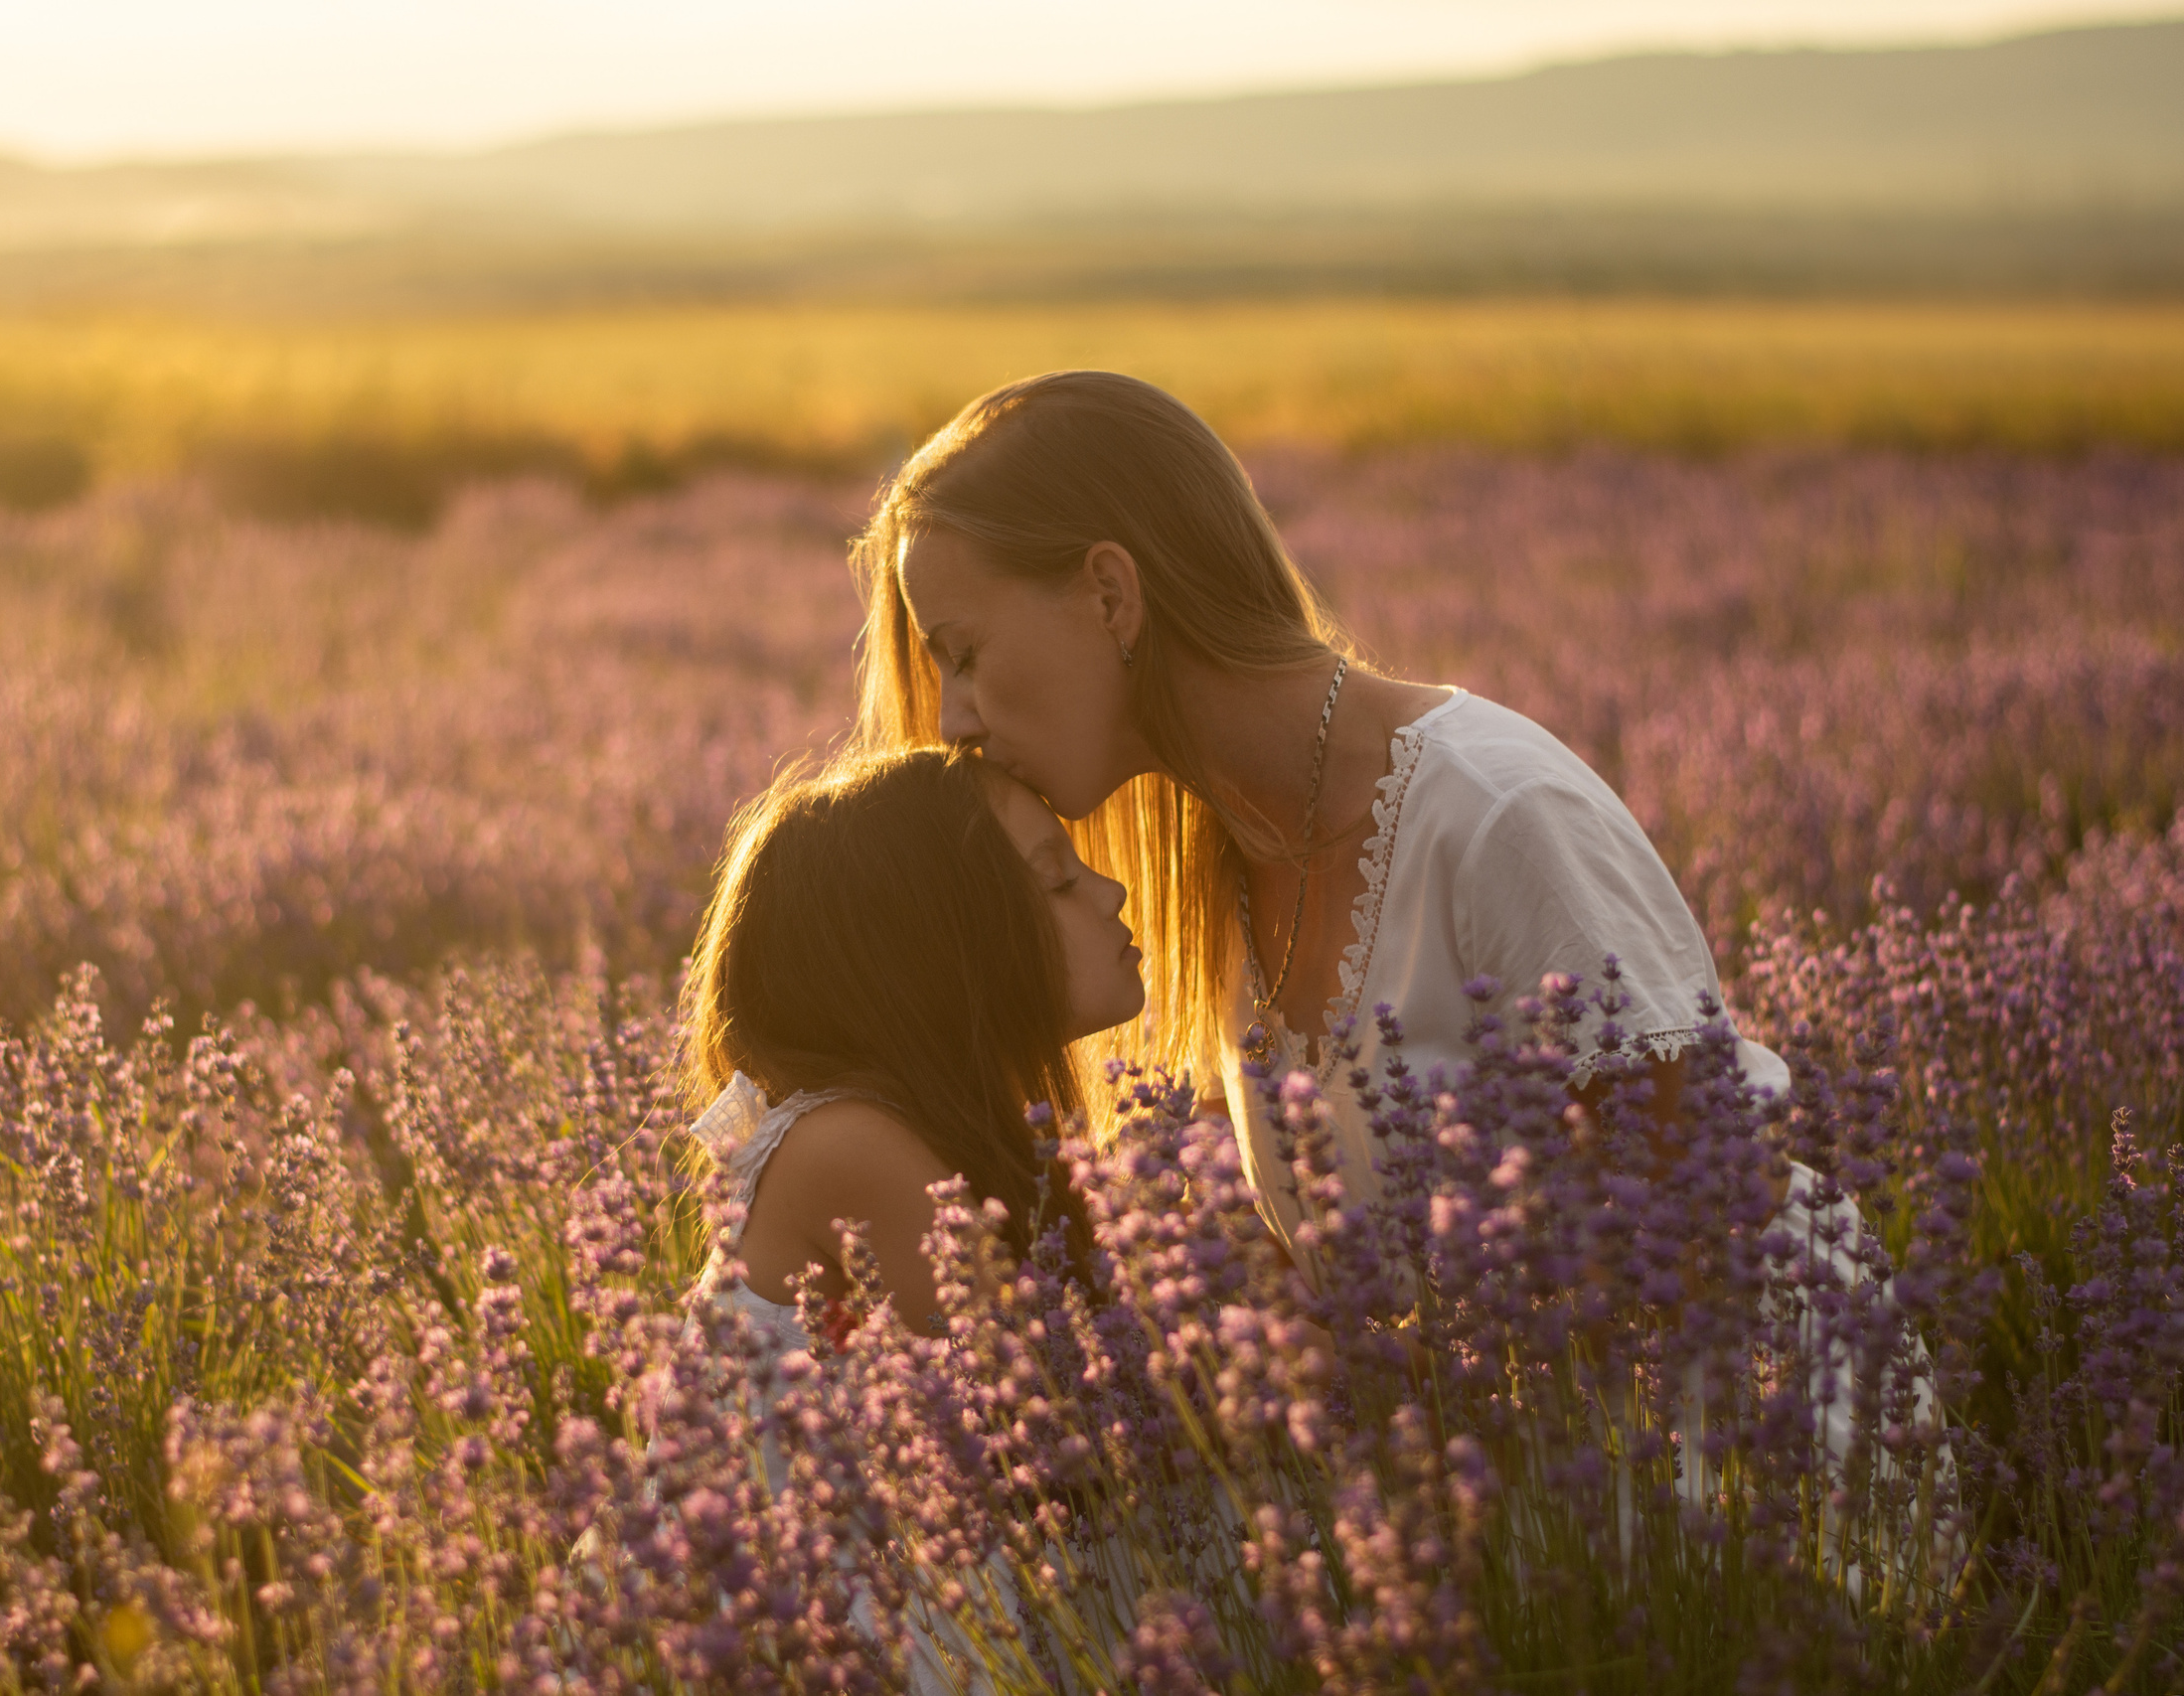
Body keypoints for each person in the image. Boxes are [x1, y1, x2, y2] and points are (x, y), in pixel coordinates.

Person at [844, 370, 1941, 1567]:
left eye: (963, 652)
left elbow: (1700, 1216)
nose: (951, 716)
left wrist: (1388, 1373)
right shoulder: (1224, 858)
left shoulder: (1491, 812)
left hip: (1724, 1454)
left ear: (1109, 592)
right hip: (1477, 1461)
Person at [675, 744, 1150, 1692]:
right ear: (951, 949)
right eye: (1057, 877)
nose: (1112, 892)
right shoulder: (850, 1147)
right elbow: (1064, 1420)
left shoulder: (931, 1136)